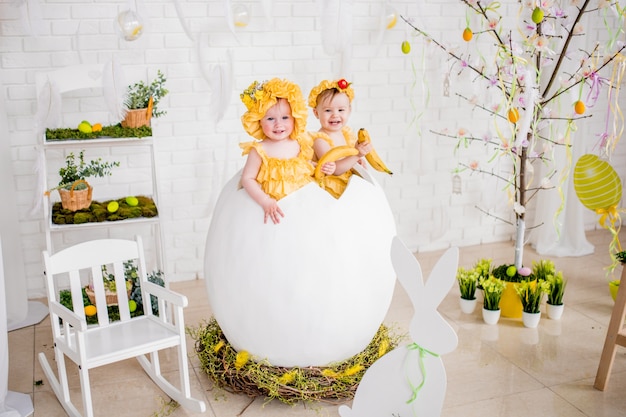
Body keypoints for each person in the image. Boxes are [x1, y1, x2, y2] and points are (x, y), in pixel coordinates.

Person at [239, 78, 314, 224]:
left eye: (285, 117)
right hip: (274, 209)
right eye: (270, 119)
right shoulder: (260, 150)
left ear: (295, 118)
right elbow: (247, 179)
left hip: (302, 205)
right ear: (259, 121)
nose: (278, 124)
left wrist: (318, 166)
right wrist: (265, 200)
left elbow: (304, 167)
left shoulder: (299, 143)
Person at [308, 78, 372, 198]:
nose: (335, 115)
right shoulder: (320, 140)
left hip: (349, 184)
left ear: (349, 111)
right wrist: (356, 155)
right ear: (316, 113)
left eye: (341, 110)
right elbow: (336, 170)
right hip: (332, 189)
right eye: (328, 110)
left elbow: (346, 160)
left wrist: (356, 162)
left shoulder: (346, 134)